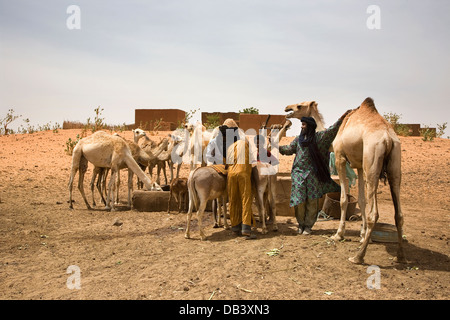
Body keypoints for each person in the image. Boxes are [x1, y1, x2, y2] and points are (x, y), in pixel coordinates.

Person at [279, 110, 352, 235]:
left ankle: (308, 226)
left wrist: (342, 117)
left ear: (310, 126)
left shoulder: (319, 139)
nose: (302, 127)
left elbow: (332, 130)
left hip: (313, 175)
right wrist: (277, 147)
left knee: (312, 201)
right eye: (301, 124)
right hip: (298, 174)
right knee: (299, 200)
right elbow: (289, 149)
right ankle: (300, 224)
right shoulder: (298, 140)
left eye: (304, 125)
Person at [205, 119, 255, 239]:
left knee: (233, 200)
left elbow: (226, 163)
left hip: (231, 174)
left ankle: (235, 228)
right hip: (243, 173)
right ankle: (246, 229)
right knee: (245, 199)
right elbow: (251, 160)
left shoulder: (229, 148)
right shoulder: (244, 143)